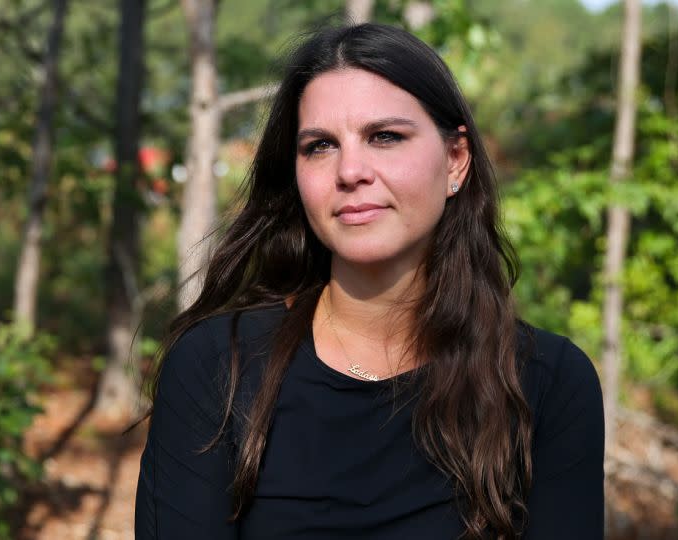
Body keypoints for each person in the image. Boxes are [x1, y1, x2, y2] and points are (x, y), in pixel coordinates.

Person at [135, 23, 604, 540]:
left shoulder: (547, 385)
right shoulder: (216, 369)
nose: (350, 170)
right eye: (319, 146)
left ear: (456, 159)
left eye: (385, 137)